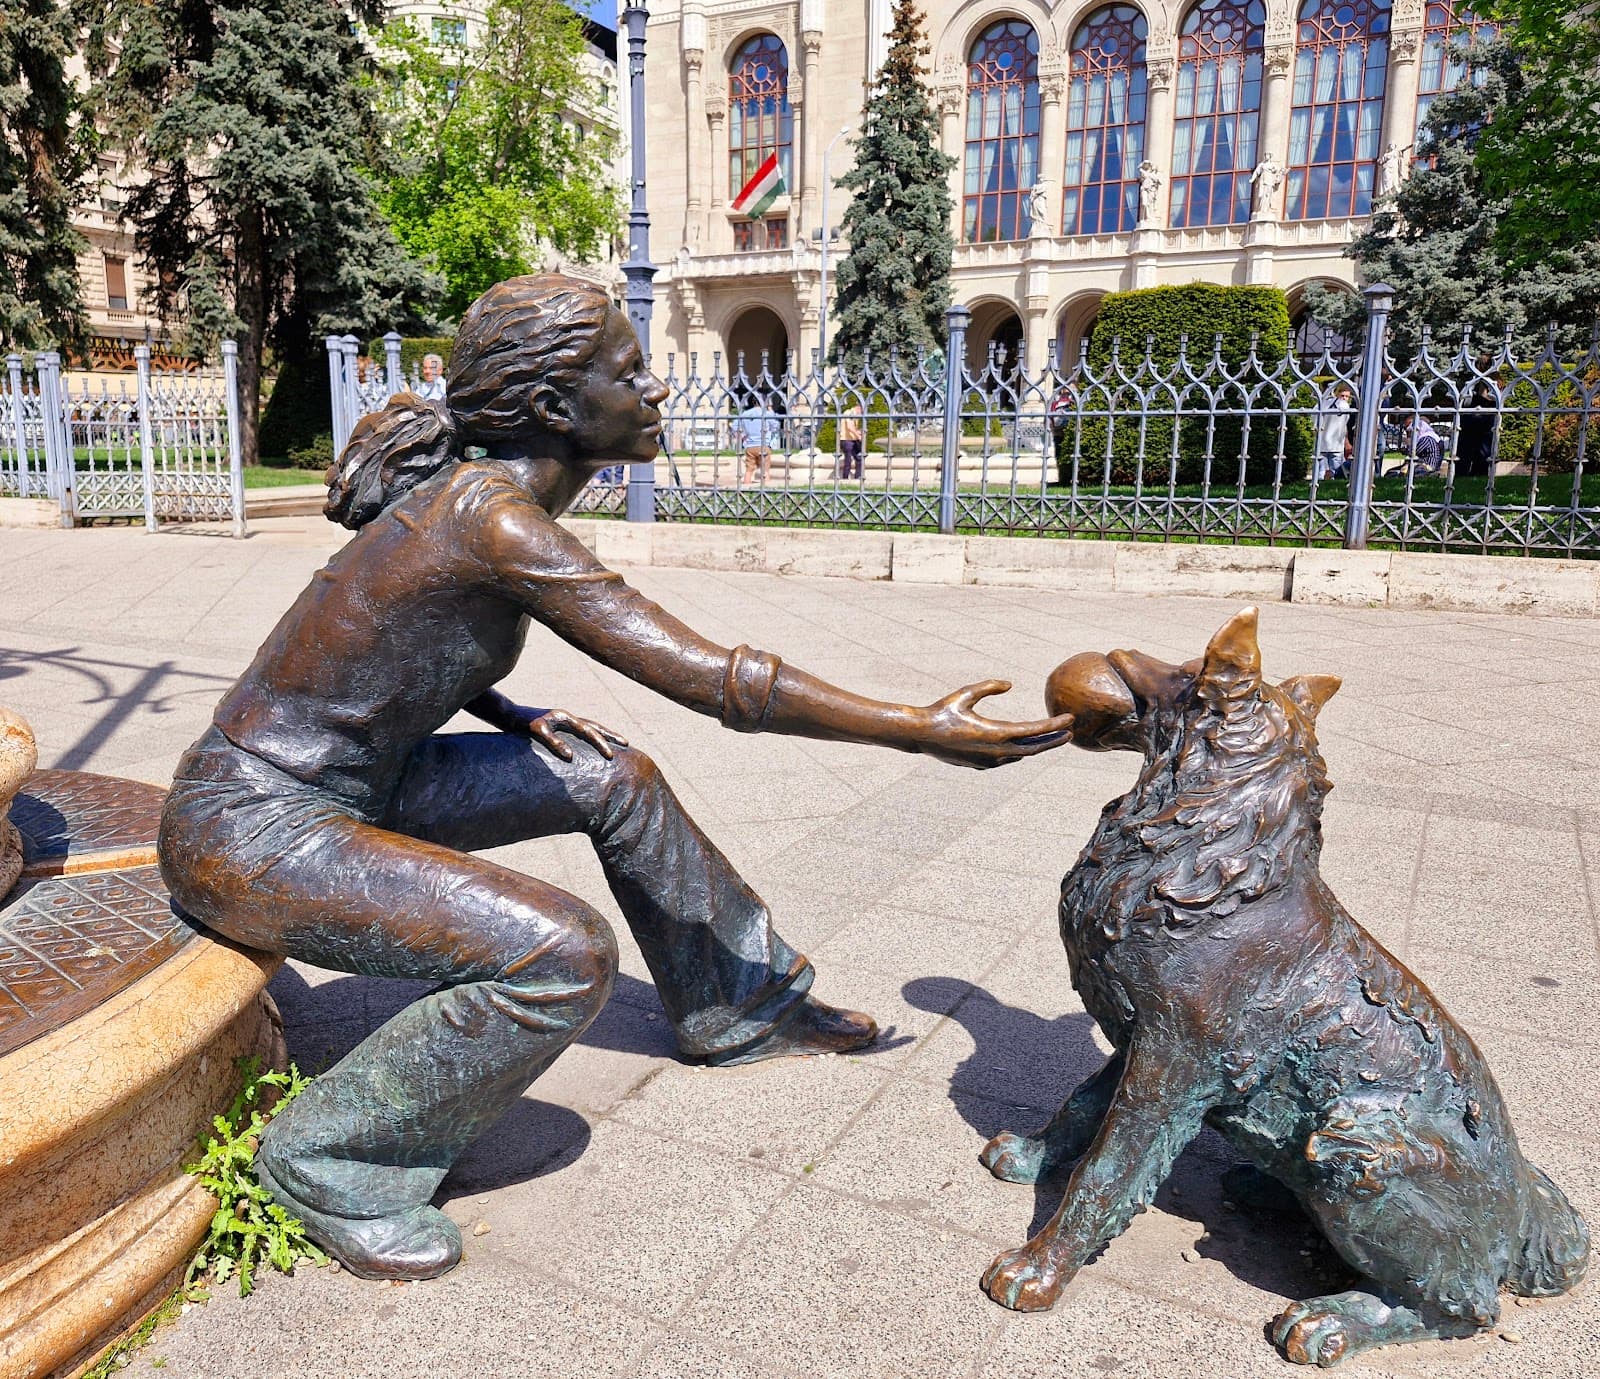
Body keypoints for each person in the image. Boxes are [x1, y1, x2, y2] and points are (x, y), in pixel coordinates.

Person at [157, 275, 1072, 1283]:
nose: (655, 390)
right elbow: (714, 678)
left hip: (355, 787)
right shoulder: (494, 519)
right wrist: (912, 726)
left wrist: (511, 713)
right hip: (253, 829)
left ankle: (740, 1003)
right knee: (560, 952)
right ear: (555, 408)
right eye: (629, 372)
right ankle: (328, 1157)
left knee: (610, 773)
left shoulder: (473, 500)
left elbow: (384, 652)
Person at [1456, 381, 1499, 478]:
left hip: (1482, 425)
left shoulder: (1493, 383)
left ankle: (1476, 474)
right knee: (1465, 456)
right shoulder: (1472, 385)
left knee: (1481, 457)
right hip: (1471, 425)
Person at [1315, 385, 1355, 480]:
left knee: (1321, 474)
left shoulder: (1322, 404)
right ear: (1336, 394)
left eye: (1347, 396)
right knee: (1335, 474)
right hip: (1334, 445)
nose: (1344, 398)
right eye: (1342, 396)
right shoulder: (1344, 406)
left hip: (1324, 444)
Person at [735, 397, 777, 484]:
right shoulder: (767, 414)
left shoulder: (745, 414)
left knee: (749, 470)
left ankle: (746, 488)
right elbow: (775, 426)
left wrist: (742, 437)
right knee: (765, 470)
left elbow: (735, 426)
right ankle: (766, 490)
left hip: (750, 445)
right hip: (764, 444)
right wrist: (770, 409)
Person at [837, 401, 864, 480]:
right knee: (848, 460)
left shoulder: (855, 415)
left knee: (859, 458)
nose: (862, 414)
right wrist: (858, 436)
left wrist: (858, 432)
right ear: (859, 408)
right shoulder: (849, 412)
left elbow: (853, 429)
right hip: (846, 440)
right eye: (862, 411)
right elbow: (849, 427)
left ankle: (857, 477)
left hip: (853, 439)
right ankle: (845, 479)